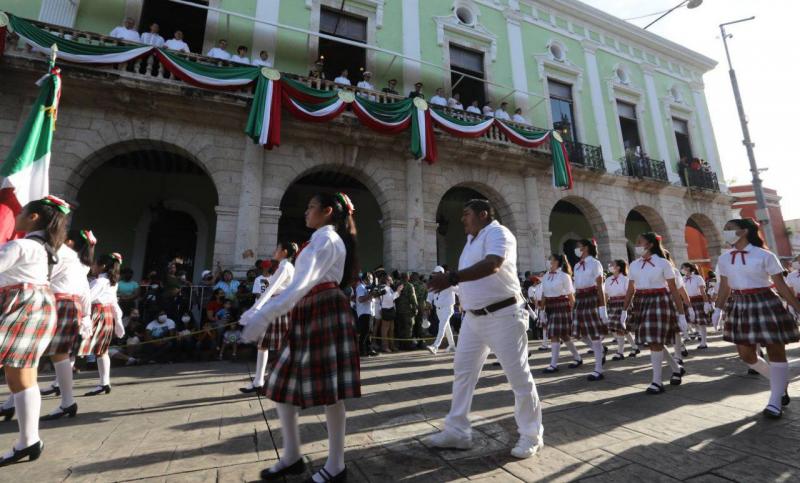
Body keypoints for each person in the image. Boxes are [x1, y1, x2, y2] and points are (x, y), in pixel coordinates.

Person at [241, 192, 361, 482]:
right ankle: (292, 455)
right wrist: (260, 311)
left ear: (328, 211)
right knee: (281, 384)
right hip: (310, 308)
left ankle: (336, 466)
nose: (306, 212)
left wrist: (262, 316)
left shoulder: (327, 240)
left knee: (331, 392)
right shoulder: (319, 239)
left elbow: (301, 285)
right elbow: (298, 286)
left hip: (322, 307)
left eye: (311, 207)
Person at [426, 199, 543, 459]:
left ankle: (532, 435)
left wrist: (452, 277)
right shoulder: (470, 241)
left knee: (518, 377)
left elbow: (493, 264)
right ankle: (457, 430)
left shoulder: (498, 233)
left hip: (503, 314)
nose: (462, 219)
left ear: (483, 214)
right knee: (463, 372)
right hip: (473, 318)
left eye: (466, 213)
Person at [0, 197, 68, 465]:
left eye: (23, 212)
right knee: (21, 375)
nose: (17, 215)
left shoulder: (22, 245)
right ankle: (28, 441)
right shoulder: (50, 250)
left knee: (20, 374)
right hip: (37, 306)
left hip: (21, 305)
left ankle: (29, 440)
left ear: (34, 217)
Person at [712, 218, 800, 418]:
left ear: (744, 231)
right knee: (746, 355)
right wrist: (717, 309)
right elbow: (725, 286)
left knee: (776, 351)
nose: (725, 232)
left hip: (765, 302)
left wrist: (797, 308)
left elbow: (781, 286)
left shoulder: (764, 255)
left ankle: (775, 399)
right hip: (739, 304)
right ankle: (779, 383)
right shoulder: (724, 259)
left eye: (729, 229)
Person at [621, 232, 688, 394]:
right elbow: (631, 289)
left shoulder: (663, 263)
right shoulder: (634, 265)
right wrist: (624, 310)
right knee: (653, 340)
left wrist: (681, 314)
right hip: (641, 302)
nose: (636, 244)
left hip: (660, 300)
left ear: (650, 244)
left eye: (639, 242)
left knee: (655, 340)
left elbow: (673, 290)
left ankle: (657, 381)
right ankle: (676, 368)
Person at [40, 229, 95, 421]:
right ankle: (66, 401)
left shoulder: (62, 253)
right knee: (58, 354)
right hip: (70, 303)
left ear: (69, 241)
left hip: (58, 301)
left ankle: (67, 401)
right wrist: (86, 314)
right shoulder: (78, 262)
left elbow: (42, 277)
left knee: (45, 353)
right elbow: (85, 290)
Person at [240, 241, 298, 394]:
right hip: (277, 306)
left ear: (284, 251)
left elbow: (271, 290)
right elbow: (271, 287)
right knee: (264, 344)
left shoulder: (285, 267)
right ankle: (259, 381)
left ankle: (280, 381)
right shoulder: (284, 267)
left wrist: (254, 309)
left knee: (279, 346)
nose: (275, 251)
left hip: (280, 308)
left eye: (277, 248)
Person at [78, 253, 125, 396]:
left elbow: (86, 299)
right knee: (101, 350)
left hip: (96, 313)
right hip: (107, 314)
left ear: (103, 266)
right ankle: (104, 383)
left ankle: (58, 384)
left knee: (76, 348)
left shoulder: (100, 282)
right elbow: (114, 302)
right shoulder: (112, 282)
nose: (92, 266)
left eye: (94, 263)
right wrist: (118, 321)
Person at [572, 239, 608, 381]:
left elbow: (599, 286)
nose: (577, 249)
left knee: (594, 334)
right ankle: (599, 350)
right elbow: (576, 286)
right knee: (577, 332)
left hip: (591, 297)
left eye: (579, 246)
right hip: (580, 298)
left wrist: (602, 307)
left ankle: (598, 369)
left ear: (586, 248)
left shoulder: (595, 263)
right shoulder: (576, 265)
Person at [540, 254, 580, 372]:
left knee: (553, 333)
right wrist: (542, 310)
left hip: (562, 305)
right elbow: (544, 294)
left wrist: (575, 311)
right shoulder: (546, 276)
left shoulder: (564, 276)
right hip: (550, 306)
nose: (548, 261)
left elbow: (570, 295)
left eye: (550, 259)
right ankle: (577, 357)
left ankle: (553, 364)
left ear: (556, 262)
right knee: (563, 334)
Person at [605, 260, 633, 361]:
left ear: (619, 267)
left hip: (623, 304)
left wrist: (626, 308)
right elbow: (606, 294)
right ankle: (634, 347)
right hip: (612, 304)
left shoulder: (625, 279)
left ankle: (620, 352)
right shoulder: (608, 280)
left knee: (620, 328)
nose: (610, 266)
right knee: (615, 328)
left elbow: (629, 294)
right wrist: (603, 307)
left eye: (612, 265)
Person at [426, 266, 457, 355]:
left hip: (447, 308)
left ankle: (435, 346)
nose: (435, 276)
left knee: (441, 326)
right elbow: (430, 294)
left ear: (441, 274)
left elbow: (459, 290)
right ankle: (452, 346)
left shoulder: (449, 283)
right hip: (438, 309)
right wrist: (428, 302)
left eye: (436, 274)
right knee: (446, 328)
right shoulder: (434, 283)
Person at [681, 262, 712, 349]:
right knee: (691, 321)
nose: (682, 270)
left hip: (698, 300)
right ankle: (698, 333)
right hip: (688, 301)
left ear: (688, 268)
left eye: (683, 268)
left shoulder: (698, 278)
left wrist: (706, 303)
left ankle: (704, 342)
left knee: (701, 322)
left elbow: (702, 291)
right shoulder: (682, 279)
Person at [355, 272, 380, 357]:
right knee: (364, 333)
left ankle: (368, 349)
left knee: (369, 332)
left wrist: (378, 293)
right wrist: (371, 294)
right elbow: (360, 299)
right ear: (365, 278)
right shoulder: (360, 287)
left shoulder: (367, 287)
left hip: (370, 312)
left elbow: (372, 297)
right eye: (370, 278)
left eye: (372, 278)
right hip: (364, 313)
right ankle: (362, 351)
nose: (371, 280)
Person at [376, 272, 401, 352]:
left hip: (390, 310)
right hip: (386, 310)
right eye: (390, 279)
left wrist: (397, 292)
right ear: (387, 280)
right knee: (385, 330)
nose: (392, 280)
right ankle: (385, 346)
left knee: (391, 329)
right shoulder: (385, 288)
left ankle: (391, 345)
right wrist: (398, 291)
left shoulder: (388, 288)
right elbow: (390, 299)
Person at [409, 272, 428, 349]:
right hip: (422, 306)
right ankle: (422, 342)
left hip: (412, 307)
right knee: (420, 324)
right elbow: (426, 296)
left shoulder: (410, 285)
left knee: (413, 324)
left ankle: (413, 342)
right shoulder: (423, 285)